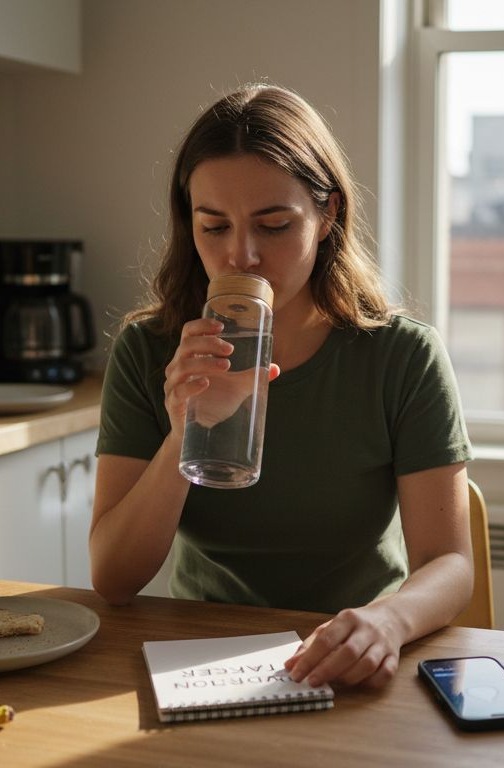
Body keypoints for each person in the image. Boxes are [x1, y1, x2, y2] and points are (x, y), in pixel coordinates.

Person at [90, 82, 473, 690]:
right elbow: (113, 579)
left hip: (351, 650)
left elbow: (449, 563)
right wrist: (183, 432)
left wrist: (386, 622)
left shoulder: (401, 356)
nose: (241, 255)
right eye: (213, 226)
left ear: (328, 217)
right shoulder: (149, 350)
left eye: (273, 225)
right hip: (199, 660)